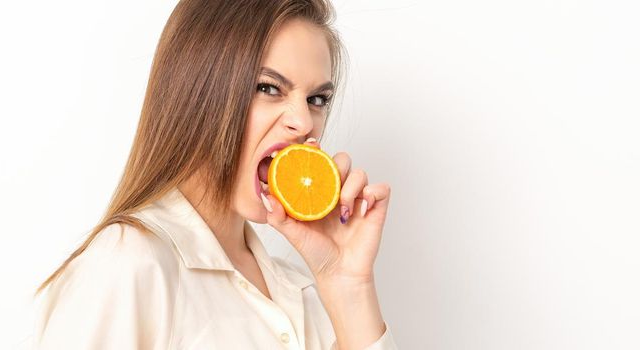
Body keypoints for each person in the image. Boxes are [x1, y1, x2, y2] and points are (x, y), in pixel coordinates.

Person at [33, 1, 397, 349]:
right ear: (199, 95)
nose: (304, 122)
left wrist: (347, 283)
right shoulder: (129, 264)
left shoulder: (302, 289)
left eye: (317, 99)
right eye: (268, 88)